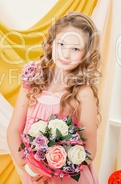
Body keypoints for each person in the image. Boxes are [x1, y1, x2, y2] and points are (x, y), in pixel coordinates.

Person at [7, 12, 101, 183]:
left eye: (75, 49)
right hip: (34, 175)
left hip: (68, 178)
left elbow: (89, 151)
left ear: (86, 53)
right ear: (52, 43)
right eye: (62, 44)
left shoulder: (82, 93)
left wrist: (52, 169)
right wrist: (27, 166)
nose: (65, 54)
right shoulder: (33, 82)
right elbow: (14, 130)